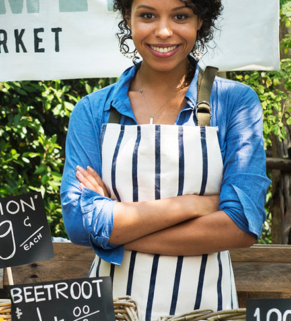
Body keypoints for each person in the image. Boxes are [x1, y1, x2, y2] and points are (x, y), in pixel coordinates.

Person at [59, 0, 271, 320]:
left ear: (200, 20)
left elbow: (241, 225)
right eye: (147, 15)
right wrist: (196, 205)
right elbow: (78, 224)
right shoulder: (92, 111)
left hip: (206, 309)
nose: (163, 31)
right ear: (127, 18)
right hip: (108, 310)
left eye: (180, 16)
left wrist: (114, 229)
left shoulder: (235, 103)